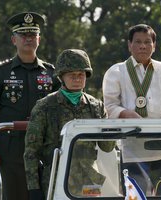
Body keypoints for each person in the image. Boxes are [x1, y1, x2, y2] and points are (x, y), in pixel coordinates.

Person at [102, 24, 161, 193]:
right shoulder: (116, 71)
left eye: (147, 42)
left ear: (154, 45)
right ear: (129, 45)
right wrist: (125, 113)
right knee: (135, 196)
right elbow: (109, 106)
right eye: (138, 42)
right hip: (131, 149)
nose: (143, 46)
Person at [0, 12, 58, 200]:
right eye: (23, 35)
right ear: (14, 40)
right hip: (11, 150)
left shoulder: (51, 73)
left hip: (43, 148)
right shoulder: (0, 72)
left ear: (39, 39)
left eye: (33, 34)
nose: (28, 39)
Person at [24, 49, 115, 199]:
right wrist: (34, 188)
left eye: (81, 75)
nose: (77, 79)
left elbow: (107, 147)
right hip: (56, 179)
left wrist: (107, 127)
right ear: (61, 77)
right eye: (72, 75)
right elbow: (31, 152)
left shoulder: (96, 106)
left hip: (89, 181)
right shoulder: (45, 107)